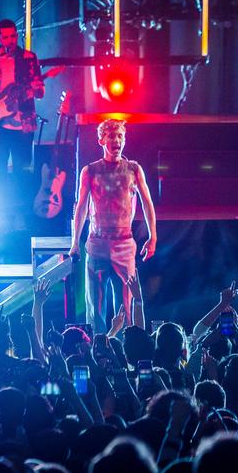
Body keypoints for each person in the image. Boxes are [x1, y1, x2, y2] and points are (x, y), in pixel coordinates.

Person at [68, 119, 157, 333]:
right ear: (101, 140)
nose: (117, 141)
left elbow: (147, 203)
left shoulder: (133, 169)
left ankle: (128, 348)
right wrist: (74, 243)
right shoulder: (90, 171)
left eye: (120, 137)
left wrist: (152, 236)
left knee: (128, 303)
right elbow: (80, 207)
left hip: (124, 243)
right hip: (97, 242)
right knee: (95, 306)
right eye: (112, 137)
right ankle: (98, 349)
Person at [0, 19, 45, 229]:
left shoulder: (29, 58)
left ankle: (22, 217)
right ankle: (2, 216)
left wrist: (34, 90)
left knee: (24, 171)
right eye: (5, 37)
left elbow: (39, 90)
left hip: (23, 124)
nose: (10, 41)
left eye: (13, 36)